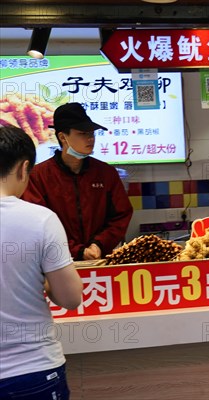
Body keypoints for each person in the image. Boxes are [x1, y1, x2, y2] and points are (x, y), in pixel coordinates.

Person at [0, 126, 83, 399]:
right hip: (31, 369)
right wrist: (45, 282)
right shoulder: (40, 220)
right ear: (24, 168)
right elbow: (70, 298)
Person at [22, 103, 133, 261]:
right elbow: (38, 225)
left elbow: (122, 214)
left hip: (100, 260)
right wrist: (78, 251)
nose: (90, 138)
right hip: (56, 263)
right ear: (62, 137)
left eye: (92, 133)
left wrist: (98, 245)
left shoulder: (106, 173)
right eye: (83, 133)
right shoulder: (38, 176)